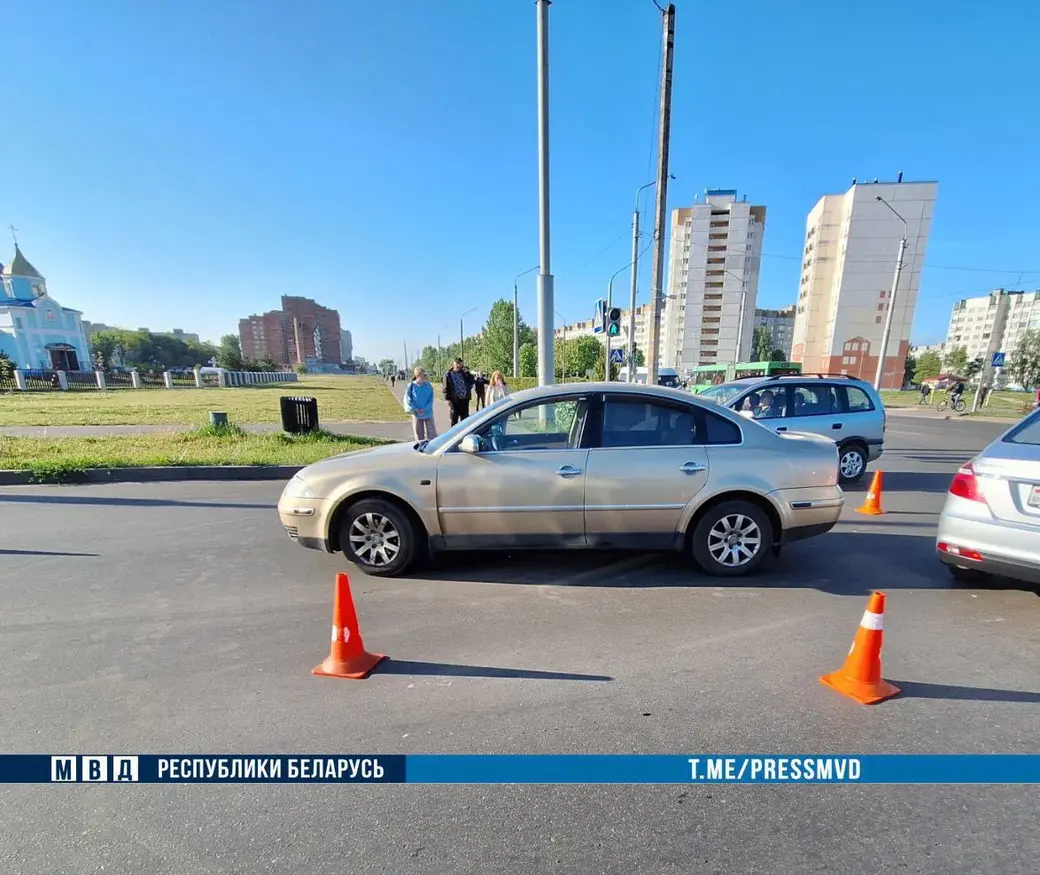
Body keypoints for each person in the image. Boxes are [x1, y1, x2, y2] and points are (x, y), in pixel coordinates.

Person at [403, 367, 437, 441]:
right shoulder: (411, 386)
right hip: (416, 414)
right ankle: (419, 447)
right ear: (417, 376)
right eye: (423, 375)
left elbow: (431, 399)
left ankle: (433, 448)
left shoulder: (429, 385)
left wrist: (425, 409)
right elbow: (407, 399)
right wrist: (415, 409)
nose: (425, 376)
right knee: (419, 434)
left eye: (425, 375)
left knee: (432, 434)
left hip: (428, 413)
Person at [443, 358, 474, 426]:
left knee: (465, 421)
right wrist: (447, 399)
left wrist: (468, 373)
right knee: (454, 420)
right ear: (453, 364)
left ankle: (464, 435)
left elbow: (472, 381)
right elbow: (445, 388)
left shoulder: (464, 373)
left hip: (465, 400)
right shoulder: (448, 374)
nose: (458, 365)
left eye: (460, 363)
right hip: (454, 401)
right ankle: (453, 435)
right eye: (457, 363)